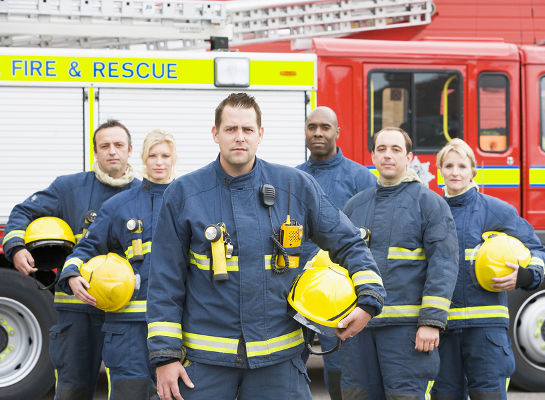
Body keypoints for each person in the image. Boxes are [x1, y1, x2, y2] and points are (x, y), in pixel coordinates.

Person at [145, 93, 386, 400]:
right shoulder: (184, 194)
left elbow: (349, 241)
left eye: (247, 129)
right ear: (215, 134)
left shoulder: (295, 187)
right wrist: (165, 357)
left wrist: (368, 299)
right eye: (231, 129)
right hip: (204, 363)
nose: (239, 137)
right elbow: (164, 281)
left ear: (260, 134)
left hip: (279, 364)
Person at [2, 120, 139, 399]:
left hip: (127, 311)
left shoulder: (145, 193)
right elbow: (22, 212)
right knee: (73, 387)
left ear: (129, 150)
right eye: (104, 146)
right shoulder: (68, 188)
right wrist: (16, 247)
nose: (112, 151)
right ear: (95, 152)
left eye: (118, 145)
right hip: (77, 311)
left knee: (130, 390)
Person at [57, 129, 177, 399]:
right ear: (142, 158)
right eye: (153, 155)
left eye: (165, 156)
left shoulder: (188, 202)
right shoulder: (118, 205)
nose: (159, 162)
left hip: (174, 326)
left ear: (174, 159)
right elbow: (87, 247)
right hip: (127, 329)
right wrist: (72, 273)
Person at [341, 127, 459, 399]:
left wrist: (431, 322)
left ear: (409, 156)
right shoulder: (355, 206)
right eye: (381, 149)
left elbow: (444, 265)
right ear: (372, 155)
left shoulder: (429, 203)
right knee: (356, 395)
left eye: (395, 149)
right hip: (360, 329)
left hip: (406, 333)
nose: (388, 155)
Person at [431, 138, 545, 400]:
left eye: (462, 166)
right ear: (440, 170)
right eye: (448, 165)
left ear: (473, 171)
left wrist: (527, 275)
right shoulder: (431, 211)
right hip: (443, 329)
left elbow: (537, 250)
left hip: (485, 332)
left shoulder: (497, 210)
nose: (455, 172)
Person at [296, 106, 376, 400]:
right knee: (289, 369)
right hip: (297, 294)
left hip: (343, 296)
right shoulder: (292, 178)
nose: (318, 132)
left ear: (337, 132)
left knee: (343, 373)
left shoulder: (361, 178)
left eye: (325, 127)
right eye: (312, 126)